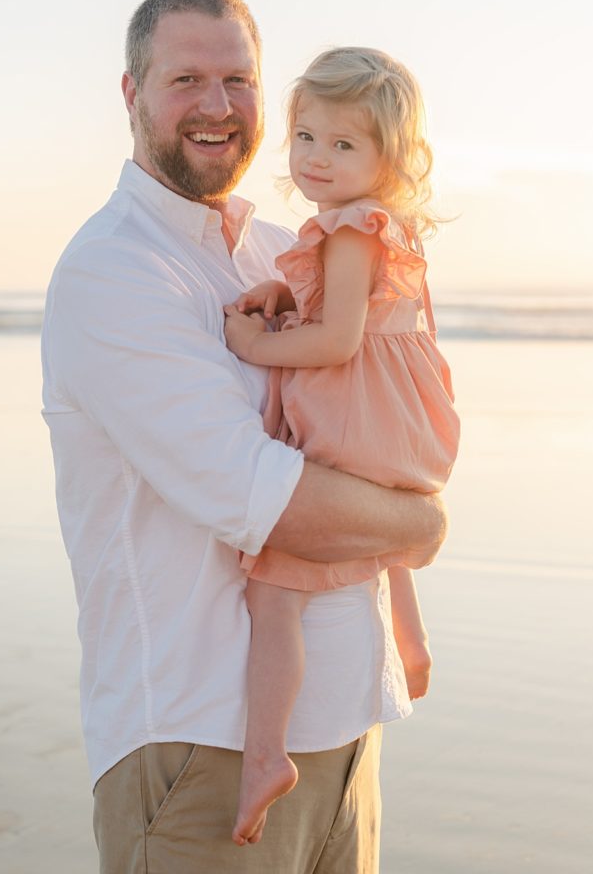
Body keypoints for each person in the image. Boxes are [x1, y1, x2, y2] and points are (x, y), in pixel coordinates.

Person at [41, 0, 447, 874]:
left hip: (347, 746)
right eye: (185, 79)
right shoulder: (113, 274)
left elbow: (377, 404)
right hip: (201, 756)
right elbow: (269, 502)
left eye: (239, 79)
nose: (217, 107)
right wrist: (422, 523)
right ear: (131, 93)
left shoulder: (281, 251)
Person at [223, 47, 461, 845]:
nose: (316, 159)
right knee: (370, 517)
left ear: (386, 157)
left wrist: (256, 347)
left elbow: (335, 339)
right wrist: (281, 291)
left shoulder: (354, 230)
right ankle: (411, 634)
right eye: (305, 137)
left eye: (343, 145)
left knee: (275, 591)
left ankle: (265, 754)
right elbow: (333, 303)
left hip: (360, 414)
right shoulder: (350, 228)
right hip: (384, 413)